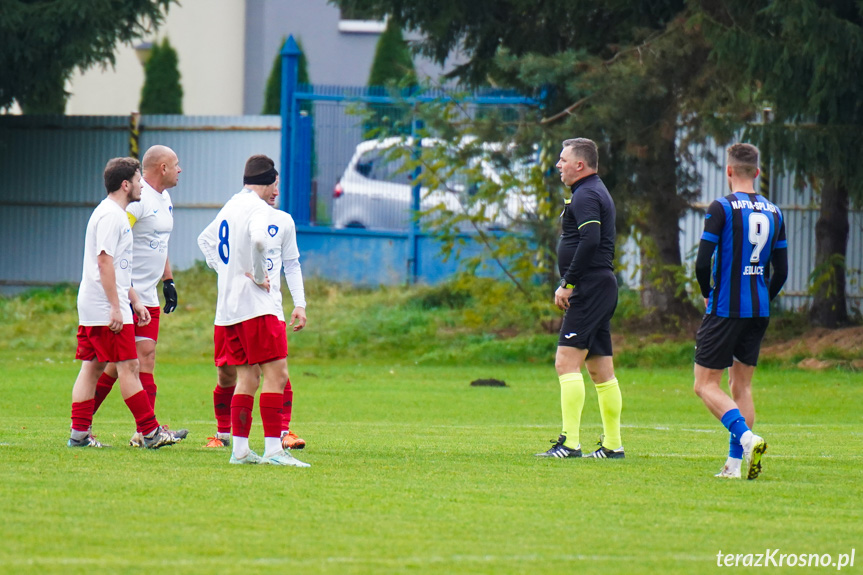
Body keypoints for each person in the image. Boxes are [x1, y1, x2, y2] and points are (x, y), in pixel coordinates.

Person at [197, 154, 309, 467]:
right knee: (277, 373)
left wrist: (226, 271)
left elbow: (205, 240)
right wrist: (259, 277)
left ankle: (241, 451)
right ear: (270, 181)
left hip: (229, 309)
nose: (277, 189)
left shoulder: (232, 205)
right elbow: (259, 240)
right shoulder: (260, 210)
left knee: (248, 377)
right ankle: (274, 450)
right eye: (276, 183)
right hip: (258, 308)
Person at [67, 157, 180, 449]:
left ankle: (79, 435)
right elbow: (104, 262)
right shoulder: (111, 216)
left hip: (100, 304)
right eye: (138, 180)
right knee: (129, 366)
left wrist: (134, 300)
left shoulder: (115, 213)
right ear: (126, 184)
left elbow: (119, 266)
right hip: (105, 307)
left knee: (91, 367)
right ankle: (150, 432)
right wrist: (117, 307)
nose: (142, 185)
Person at [693, 143, 788, 480]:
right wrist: (764, 297)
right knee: (741, 387)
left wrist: (708, 294)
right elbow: (782, 271)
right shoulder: (775, 211)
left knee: (705, 385)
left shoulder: (721, 207)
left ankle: (747, 440)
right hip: (758, 309)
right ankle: (734, 466)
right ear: (758, 173)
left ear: (729, 171)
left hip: (726, 308)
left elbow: (703, 262)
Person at [536, 138, 624, 460]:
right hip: (599, 286)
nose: (558, 165)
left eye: (563, 159)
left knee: (565, 362)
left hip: (589, 287)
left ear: (580, 165)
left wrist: (568, 283)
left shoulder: (587, 194)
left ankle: (570, 443)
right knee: (601, 371)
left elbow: (590, 240)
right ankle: (613, 446)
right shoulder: (592, 191)